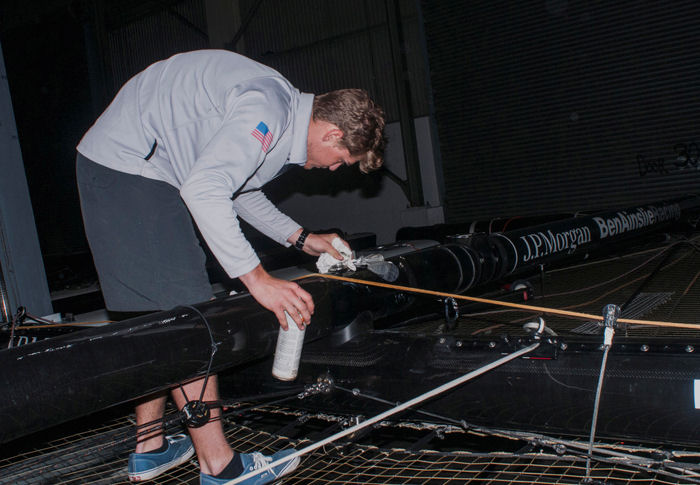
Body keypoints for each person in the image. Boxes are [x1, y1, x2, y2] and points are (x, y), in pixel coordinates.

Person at [76, 49, 385, 484]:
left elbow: (239, 189)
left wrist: (303, 239)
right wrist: (259, 281)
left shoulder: (277, 113)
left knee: (159, 317)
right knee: (190, 317)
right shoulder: (266, 110)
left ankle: (150, 446)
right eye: (340, 161)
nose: (332, 169)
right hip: (132, 170)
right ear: (333, 134)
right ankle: (221, 469)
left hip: (124, 168)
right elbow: (206, 190)